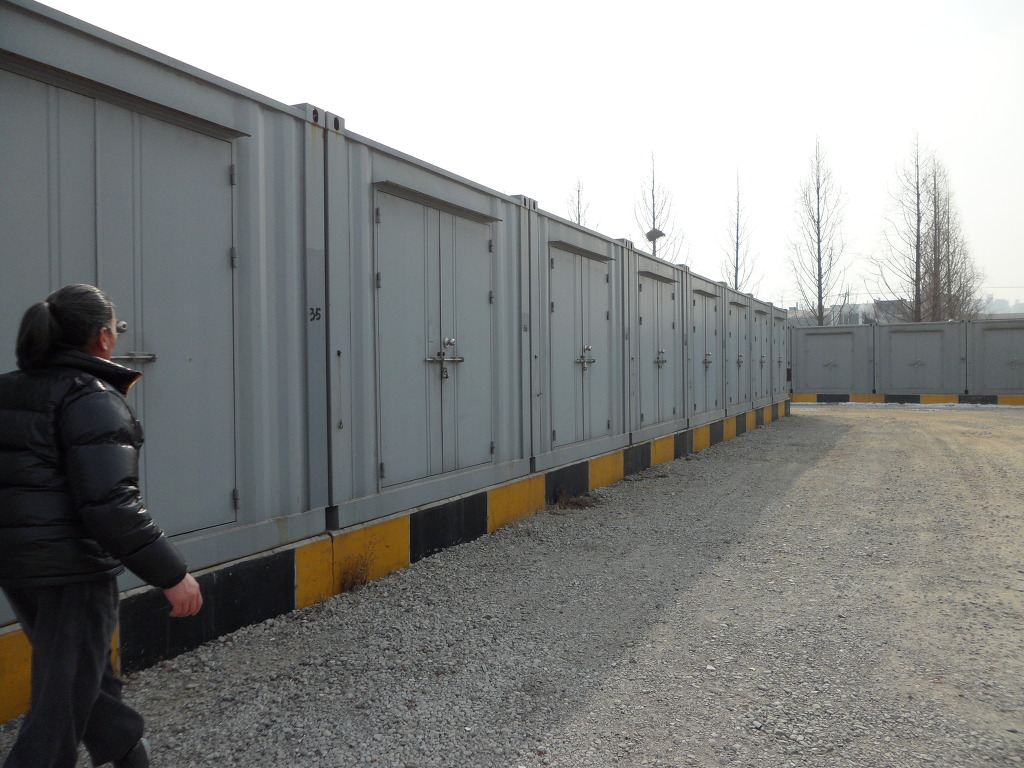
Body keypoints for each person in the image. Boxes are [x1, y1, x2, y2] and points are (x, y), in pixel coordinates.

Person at [0, 284, 203, 768]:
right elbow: (111, 504)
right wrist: (172, 575)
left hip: (18, 564)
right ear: (103, 337)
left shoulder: (8, 389)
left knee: (76, 670)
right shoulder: (90, 398)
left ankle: (124, 746)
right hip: (72, 568)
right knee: (60, 703)